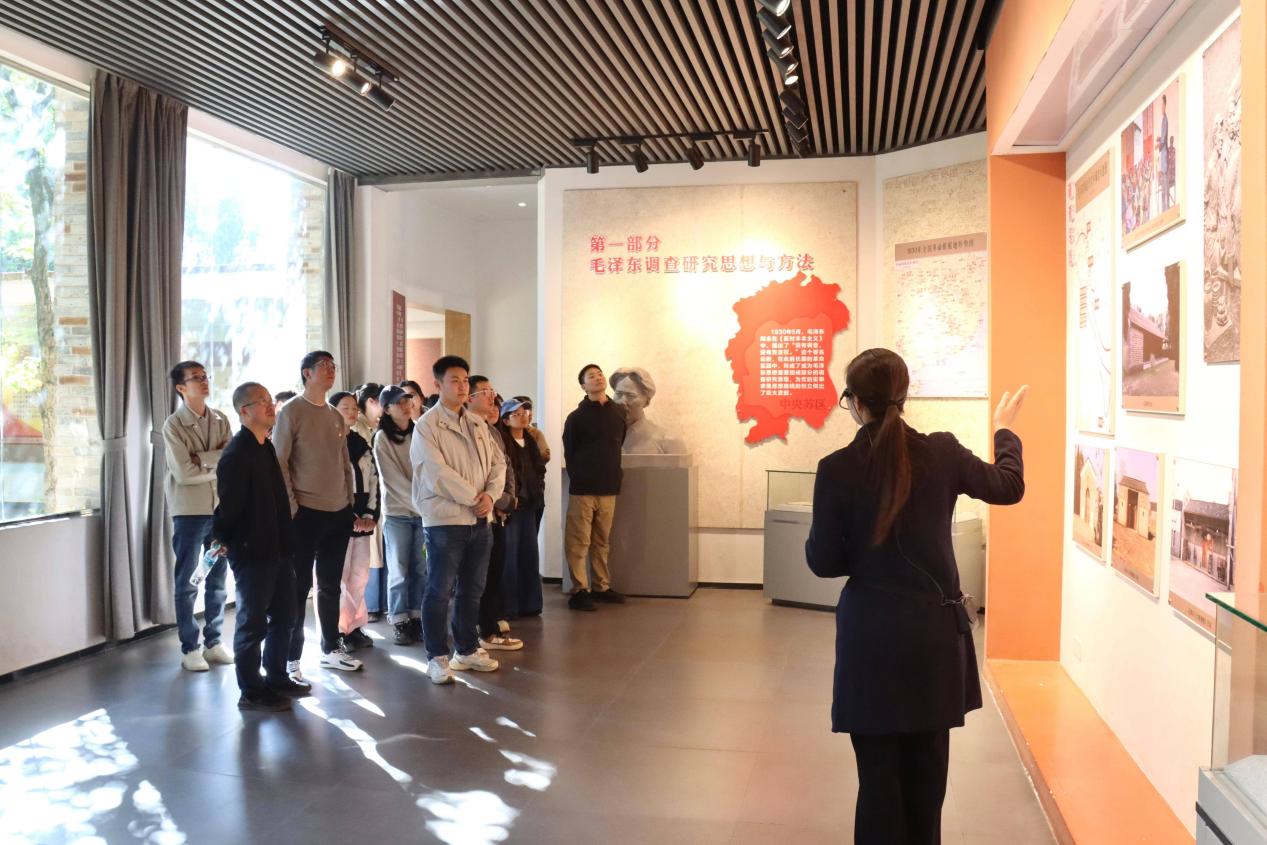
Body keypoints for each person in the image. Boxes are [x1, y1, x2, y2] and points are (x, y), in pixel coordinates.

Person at [805, 349, 1027, 844]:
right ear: (903, 397)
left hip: (870, 638)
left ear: (855, 401)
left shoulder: (836, 468)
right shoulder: (942, 452)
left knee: (877, 786)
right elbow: (1009, 486)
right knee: (927, 787)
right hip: (932, 639)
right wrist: (1003, 430)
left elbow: (823, 562)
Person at [211, 382, 307, 711]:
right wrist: (220, 537)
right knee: (252, 623)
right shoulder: (236, 454)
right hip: (253, 552)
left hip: (278, 548)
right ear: (244, 411)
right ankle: (250, 690)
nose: (270, 406)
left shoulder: (265, 446)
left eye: (270, 400)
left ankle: (276, 676)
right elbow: (229, 506)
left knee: (285, 615)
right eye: (261, 401)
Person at [412, 355, 506, 684]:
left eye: (465, 380)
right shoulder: (427, 426)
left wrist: (490, 496)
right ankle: (437, 656)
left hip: (480, 519)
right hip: (445, 520)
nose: (462, 386)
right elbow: (436, 473)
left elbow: (498, 465)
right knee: (439, 590)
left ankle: (466, 650)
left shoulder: (478, 423)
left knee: (472, 589)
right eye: (454, 380)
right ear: (437, 385)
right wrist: (475, 499)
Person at [272, 350, 363, 678]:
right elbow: (280, 462)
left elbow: (344, 463)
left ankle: (330, 648)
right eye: (323, 366)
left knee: (330, 585)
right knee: (297, 590)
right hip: (305, 513)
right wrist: (293, 508)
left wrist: (349, 503)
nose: (331, 371)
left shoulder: (335, 415)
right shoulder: (291, 411)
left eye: (333, 366)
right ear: (306, 373)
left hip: (338, 512)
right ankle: (291, 658)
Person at [162, 360, 234, 672]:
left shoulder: (220, 419)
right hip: (189, 512)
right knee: (189, 580)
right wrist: (217, 460)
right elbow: (184, 473)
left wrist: (202, 459)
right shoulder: (173, 425)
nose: (204, 381)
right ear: (181, 387)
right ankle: (190, 647)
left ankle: (213, 642)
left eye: (205, 376)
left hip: (220, 510)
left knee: (217, 579)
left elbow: (231, 462)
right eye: (196, 378)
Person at [561, 363, 627, 611]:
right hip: (583, 488)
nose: (598, 378)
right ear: (583, 386)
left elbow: (619, 442)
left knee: (602, 541)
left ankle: (601, 586)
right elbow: (570, 451)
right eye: (591, 376)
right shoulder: (576, 417)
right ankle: (580, 589)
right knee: (579, 541)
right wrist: (580, 477)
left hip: (609, 486)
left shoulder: (618, 412)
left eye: (600, 374)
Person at [468, 376, 523, 652]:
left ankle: (488, 626)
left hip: (498, 511)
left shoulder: (492, 432)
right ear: (468, 397)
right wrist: (496, 499)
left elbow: (504, 469)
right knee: (476, 578)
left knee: (493, 573)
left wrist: (506, 501)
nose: (492, 396)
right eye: (485, 391)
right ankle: (479, 632)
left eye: (492, 390)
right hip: (477, 512)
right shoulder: (465, 428)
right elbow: (476, 477)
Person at [373, 385, 426, 645]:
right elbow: (392, 479)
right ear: (386, 409)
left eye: (408, 400)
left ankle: (417, 616)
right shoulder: (382, 438)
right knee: (399, 570)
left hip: (423, 512)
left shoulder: (421, 432)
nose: (406, 405)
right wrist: (422, 505)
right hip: (397, 514)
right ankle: (399, 620)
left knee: (421, 568)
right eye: (398, 402)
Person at [331, 391, 378, 651]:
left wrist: (370, 514)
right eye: (345, 407)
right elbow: (328, 483)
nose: (351, 412)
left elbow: (373, 480)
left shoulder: (361, 442)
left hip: (363, 518)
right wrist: (348, 516)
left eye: (353, 408)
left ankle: (355, 626)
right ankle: (338, 630)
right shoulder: (327, 442)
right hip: (338, 518)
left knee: (359, 576)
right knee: (338, 577)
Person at [498, 398, 546, 618]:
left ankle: (531, 604)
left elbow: (539, 470)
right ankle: (510, 606)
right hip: (513, 507)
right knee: (510, 556)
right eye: (516, 414)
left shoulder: (531, 441)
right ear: (506, 420)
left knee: (530, 554)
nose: (522, 416)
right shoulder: (504, 443)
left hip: (531, 505)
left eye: (524, 412)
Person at [354, 383, 389, 622]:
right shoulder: (358, 429)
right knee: (369, 554)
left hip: (379, 498)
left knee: (378, 552)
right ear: (369, 402)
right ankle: (370, 605)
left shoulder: (376, 426)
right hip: (364, 500)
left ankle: (378, 603)